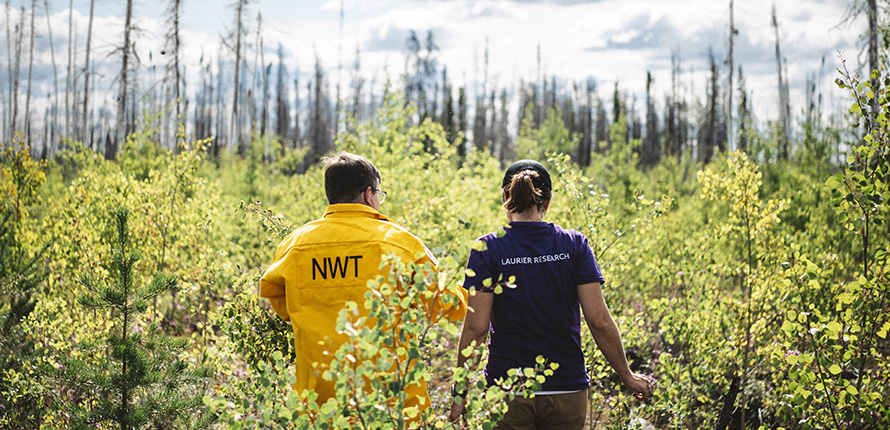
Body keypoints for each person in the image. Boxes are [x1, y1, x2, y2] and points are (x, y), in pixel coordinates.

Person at [448, 160, 654, 429]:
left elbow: (476, 329)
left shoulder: (487, 248)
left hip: (508, 392)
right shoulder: (574, 244)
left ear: (505, 198)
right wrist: (627, 376)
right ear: (546, 202)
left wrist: (460, 397)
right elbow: (599, 321)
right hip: (567, 390)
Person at [260, 151, 467, 414]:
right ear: (369, 194)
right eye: (379, 194)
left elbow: (282, 305)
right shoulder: (398, 244)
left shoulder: (295, 246)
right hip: (391, 407)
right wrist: (473, 289)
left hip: (318, 407)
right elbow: (448, 306)